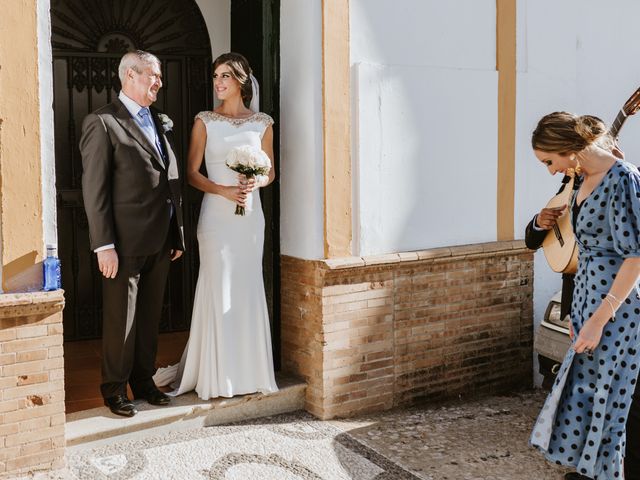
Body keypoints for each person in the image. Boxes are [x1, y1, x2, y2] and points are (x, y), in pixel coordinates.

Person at [154, 52, 278, 399]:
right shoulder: (204, 120)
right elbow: (192, 174)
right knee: (218, 285)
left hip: (250, 217)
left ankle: (249, 373)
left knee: (246, 286)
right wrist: (223, 189)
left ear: (241, 80)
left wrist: (256, 183)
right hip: (216, 218)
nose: (218, 82)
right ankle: (217, 376)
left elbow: (271, 172)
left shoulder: (263, 122)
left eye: (225, 76)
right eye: (215, 76)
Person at [529, 112, 640, 479]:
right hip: (585, 298)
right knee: (589, 394)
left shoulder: (621, 177)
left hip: (615, 307)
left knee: (613, 399)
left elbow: (635, 255)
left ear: (567, 147)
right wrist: (581, 313)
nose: (549, 171)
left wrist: (597, 319)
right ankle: (593, 472)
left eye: (549, 161)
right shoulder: (580, 177)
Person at [80, 50, 184, 417]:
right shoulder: (103, 122)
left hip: (160, 239)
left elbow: (166, 177)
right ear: (129, 76)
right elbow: (95, 190)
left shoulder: (158, 119)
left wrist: (176, 234)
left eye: (159, 77)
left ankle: (143, 382)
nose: (159, 82)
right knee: (120, 318)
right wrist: (103, 245)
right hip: (122, 244)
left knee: (149, 317)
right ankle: (114, 389)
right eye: (153, 75)